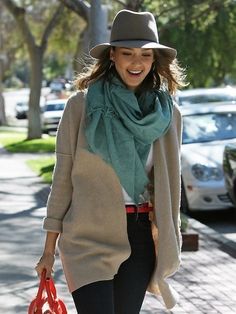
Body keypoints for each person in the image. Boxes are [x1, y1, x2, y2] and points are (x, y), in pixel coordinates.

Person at [35, 9, 186, 313]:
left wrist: (171, 235)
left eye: (145, 54)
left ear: (154, 60)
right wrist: (48, 251)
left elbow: (170, 185)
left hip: (141, 236)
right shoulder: (81, 107)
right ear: (113, 56)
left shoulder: (168, 114)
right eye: (127, 53)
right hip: (88, 236)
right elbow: (63, 178)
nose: (136, 62)